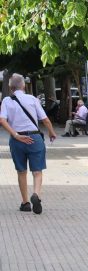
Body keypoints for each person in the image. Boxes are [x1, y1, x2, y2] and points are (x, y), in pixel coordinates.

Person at [0, 73, 57, 214]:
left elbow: (2, 120)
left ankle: (25, 203)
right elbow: (45, 120)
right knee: (37, 172)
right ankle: (36, 194)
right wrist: (51, 132)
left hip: (17, 140)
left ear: (10, 86)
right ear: (24, 85)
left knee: (21, 171)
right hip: (34, 138)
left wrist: (15, 135)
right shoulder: (32, 99)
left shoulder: (7, 100)